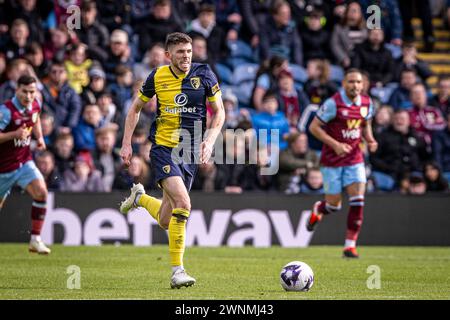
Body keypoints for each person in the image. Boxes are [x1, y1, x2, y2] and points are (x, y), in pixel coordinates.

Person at [119, 32, 225, 288]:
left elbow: (219, 111)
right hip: (163, 148)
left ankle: (140, 198)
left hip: (189, 152)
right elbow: (135, 108)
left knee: (167, 219)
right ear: (169, 55)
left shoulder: (205, 73)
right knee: (184, 203)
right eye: (180, 52)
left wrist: (210, 141)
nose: (186, 56)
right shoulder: (157, 76)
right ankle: (178, 271)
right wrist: (126, 142)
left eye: (188, 51)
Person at [306, 68, 377, 258]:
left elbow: (366, 124)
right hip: (332, 160)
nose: (355, 85)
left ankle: (349, 246)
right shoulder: (333, 104)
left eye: (358, 82)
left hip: (355, 158)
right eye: (351, 82)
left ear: (363, 85)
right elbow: (314, 127)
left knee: (358, 200)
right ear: (344, 84)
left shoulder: (367, 103)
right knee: (333, 205)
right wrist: (335, 144)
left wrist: (370, 140)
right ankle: (319, 209)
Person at [0, 75, 51, 254]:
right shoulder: (6, 111)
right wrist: (14, 134)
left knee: (41, 193)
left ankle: (35, 239)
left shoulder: (35, 104)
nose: (29, 96)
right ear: (17, 90)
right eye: (25, 92)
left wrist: (40, 138)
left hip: (24, 162)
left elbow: (35, 119)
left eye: (32, 92)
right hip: (3, 169)